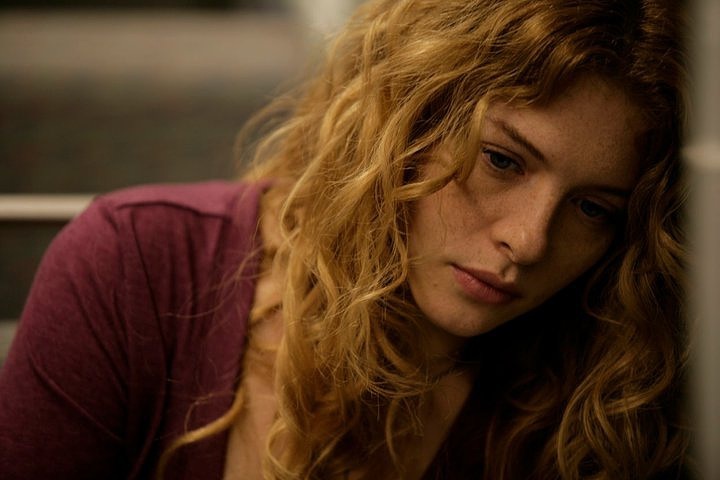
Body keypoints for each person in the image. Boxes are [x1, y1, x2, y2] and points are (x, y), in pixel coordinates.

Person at [0, 0, 691, 478]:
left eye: (593, 209)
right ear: (405, 119)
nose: (529, 240)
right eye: (502, 161)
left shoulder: (600, 386)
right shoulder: (139, 265)